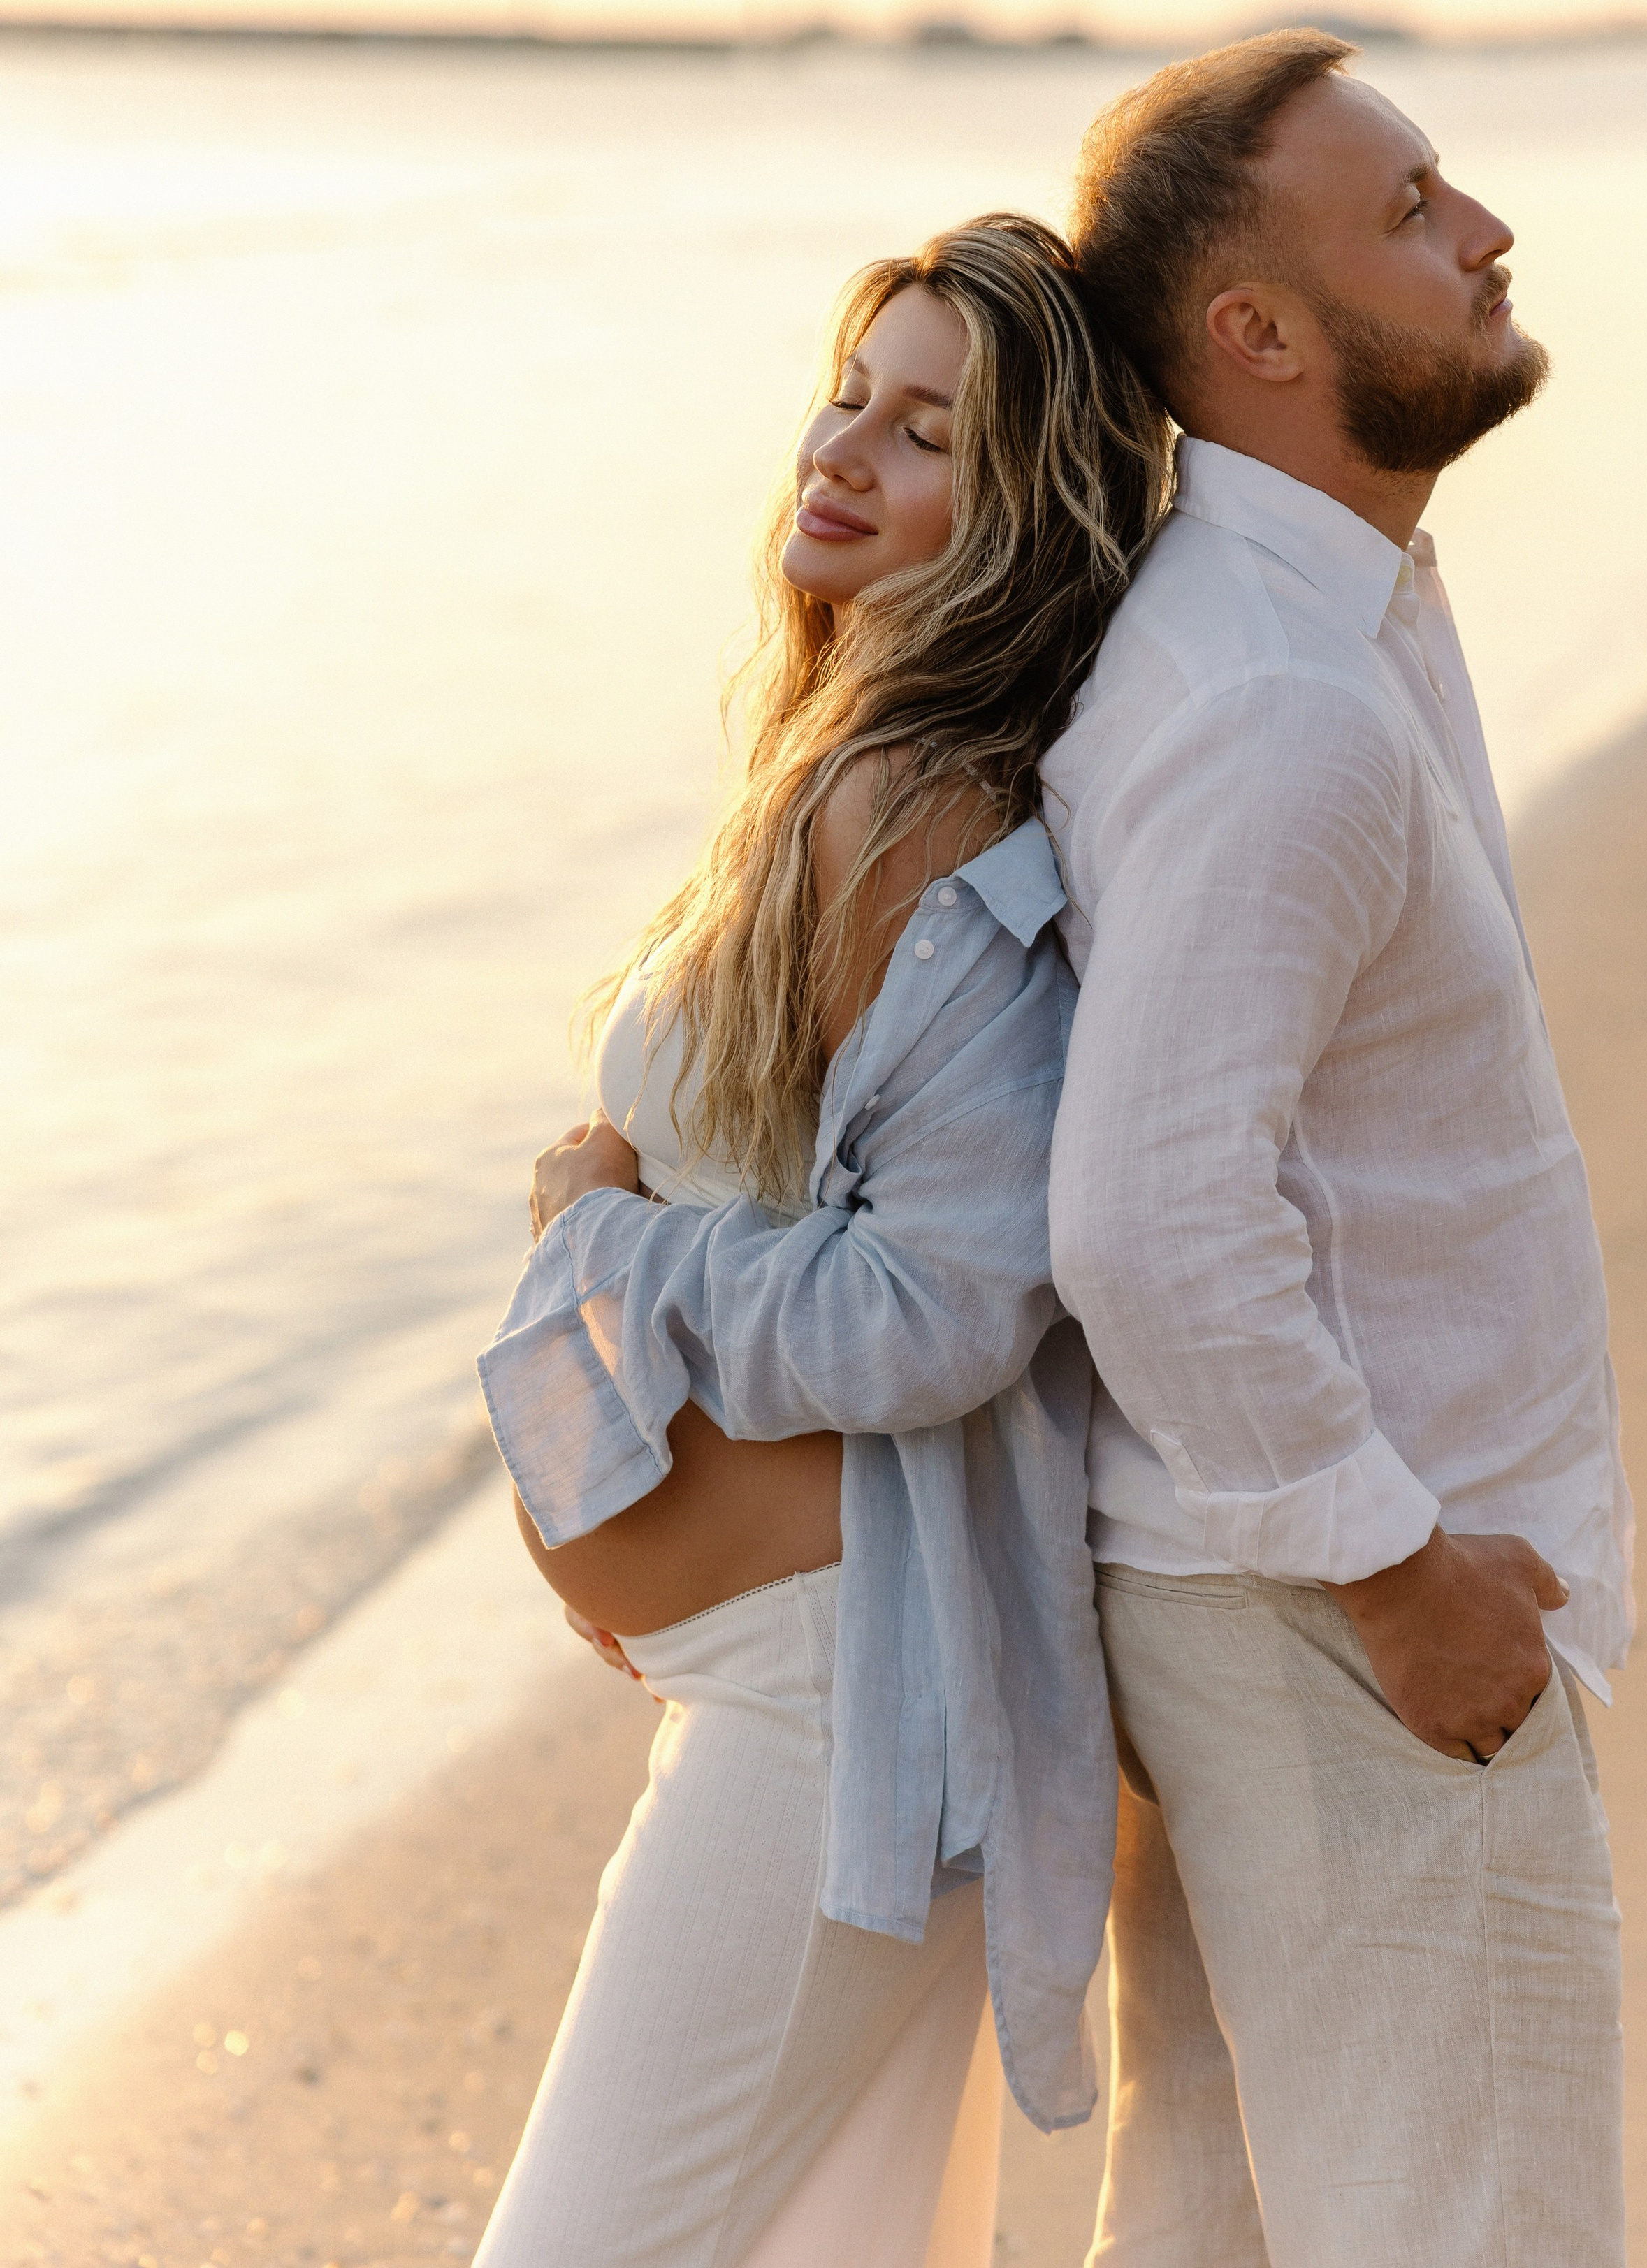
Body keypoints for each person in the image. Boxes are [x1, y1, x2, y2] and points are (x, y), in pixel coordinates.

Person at [470, 214, 1173, 2268]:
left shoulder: (926, 818)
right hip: (788, 1698)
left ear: (1023, 511)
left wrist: (599, 1244)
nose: (845, 451)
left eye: (928, 431)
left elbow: (933, 1312)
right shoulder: (831, 772)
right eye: (848, 396)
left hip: (834, 1719)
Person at [1043, 30, 1632, 2267]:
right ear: (1256, 337)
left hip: (1266, 1597)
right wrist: (1406, 1579)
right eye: (1408, 211)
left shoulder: (1323, 607)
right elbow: (1149, 1213)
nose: (1484, 233)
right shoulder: (1275, 695)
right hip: (1342, 1618)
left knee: (1222, 2229)